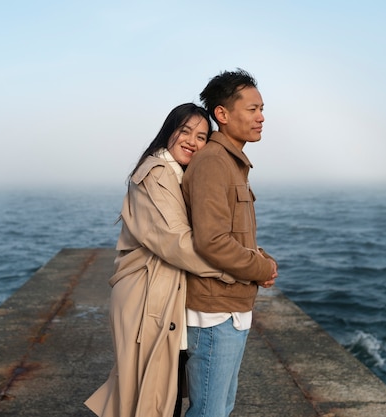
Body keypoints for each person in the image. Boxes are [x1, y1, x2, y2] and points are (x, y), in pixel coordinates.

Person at [85, 103, 237, 417]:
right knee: (149, 395)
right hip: (145, 296)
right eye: (185, 132)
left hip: (163, 293)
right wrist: (234, 270)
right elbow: (178, 244)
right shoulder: (156, 173)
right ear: (169, 132)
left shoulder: (178, 174)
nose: (193, 142)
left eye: (201, 137)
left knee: (158, 391)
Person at [181, 69, 279, 417]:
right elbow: (212, 241)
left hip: (230, 308)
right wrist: (262, 268)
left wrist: (261, 260)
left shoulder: (231, 162)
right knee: (209, 412)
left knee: (219, 409)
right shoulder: (213, 161)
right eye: (252, 109)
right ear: (222, 114)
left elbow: (233, 233)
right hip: (214, 313)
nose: (261, 117)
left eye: (262, 108)